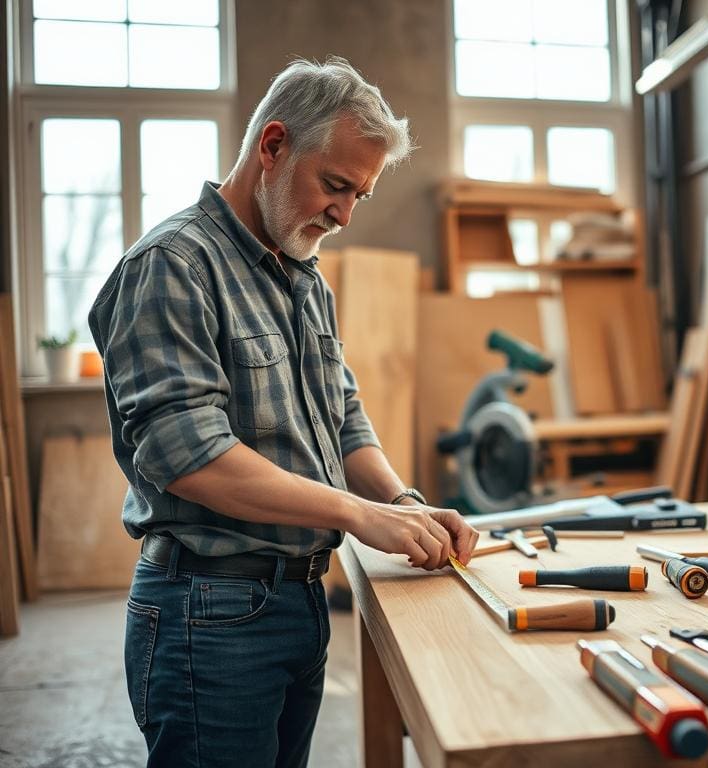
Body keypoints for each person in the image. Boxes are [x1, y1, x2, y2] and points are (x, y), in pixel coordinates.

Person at [89, 57, 479, 768]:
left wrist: (403, 502)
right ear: (272, 146)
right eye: (335, 185)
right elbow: (188, 454)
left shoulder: (302, 277)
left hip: (298, 604)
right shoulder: (175, 265)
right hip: (209, 612)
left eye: (359, 194)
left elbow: (343, 416)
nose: (344, 214)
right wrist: (357, 515)